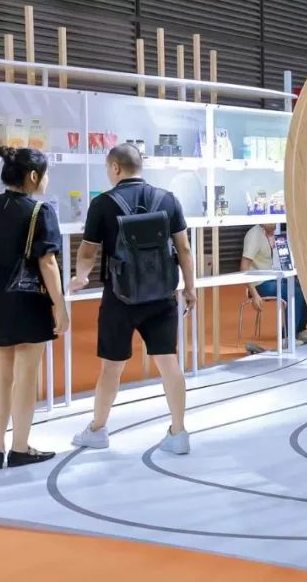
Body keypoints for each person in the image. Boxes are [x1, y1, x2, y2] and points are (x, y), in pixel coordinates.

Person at [69, 144, 196, 454]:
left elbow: (88, 250)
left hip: (119, 296)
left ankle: (98, 429)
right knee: (168, 362)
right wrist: (190, 288)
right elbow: (184, 248)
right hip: (162, 294)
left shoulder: (103, 203)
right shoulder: (168, 199)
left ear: (115, 167)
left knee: (111, 367)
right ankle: (179, 432)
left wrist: (81, 276)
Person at [0, 147, 67, 469]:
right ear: (33, 176)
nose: (46, 180)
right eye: (45, 174)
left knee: (1, 376)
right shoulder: (40, 212)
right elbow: (47, 262)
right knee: (26, 375)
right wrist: (60, 305)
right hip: (28, 295)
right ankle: (20, 448)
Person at [239, 223, 307, 355]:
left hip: (272, 276)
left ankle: (300, 330)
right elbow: (243, 268)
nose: (275, 225)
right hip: (259, 283)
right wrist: (254, 294)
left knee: (304, 289)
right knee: (294, 293)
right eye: (273, 223)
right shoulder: (254, 236)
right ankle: (288, 338)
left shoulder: (271, 234)